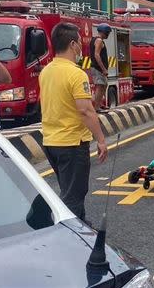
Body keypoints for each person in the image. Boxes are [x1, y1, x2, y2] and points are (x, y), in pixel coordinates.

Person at [40, 22, 108, 221]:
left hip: (51, 142)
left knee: (70, 192)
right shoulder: (76, 73)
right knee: (74, 196)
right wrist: (101, 140)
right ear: (72, 44)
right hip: (72, 143)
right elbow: (86, 111)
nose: (81, 47)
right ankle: (71, 240)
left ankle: (82, 228)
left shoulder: (47, 71)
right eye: (79, 42)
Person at [90, 24, 111, 111]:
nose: (108, 35)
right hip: (98, 68)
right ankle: (96, 107)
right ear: (104, 32)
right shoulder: (99, 41)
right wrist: (103, 69)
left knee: (104, 85)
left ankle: (99, 103)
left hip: (97, 68)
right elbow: (97, 55)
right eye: (107, 33)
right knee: (100, 86)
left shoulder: (95, 39)